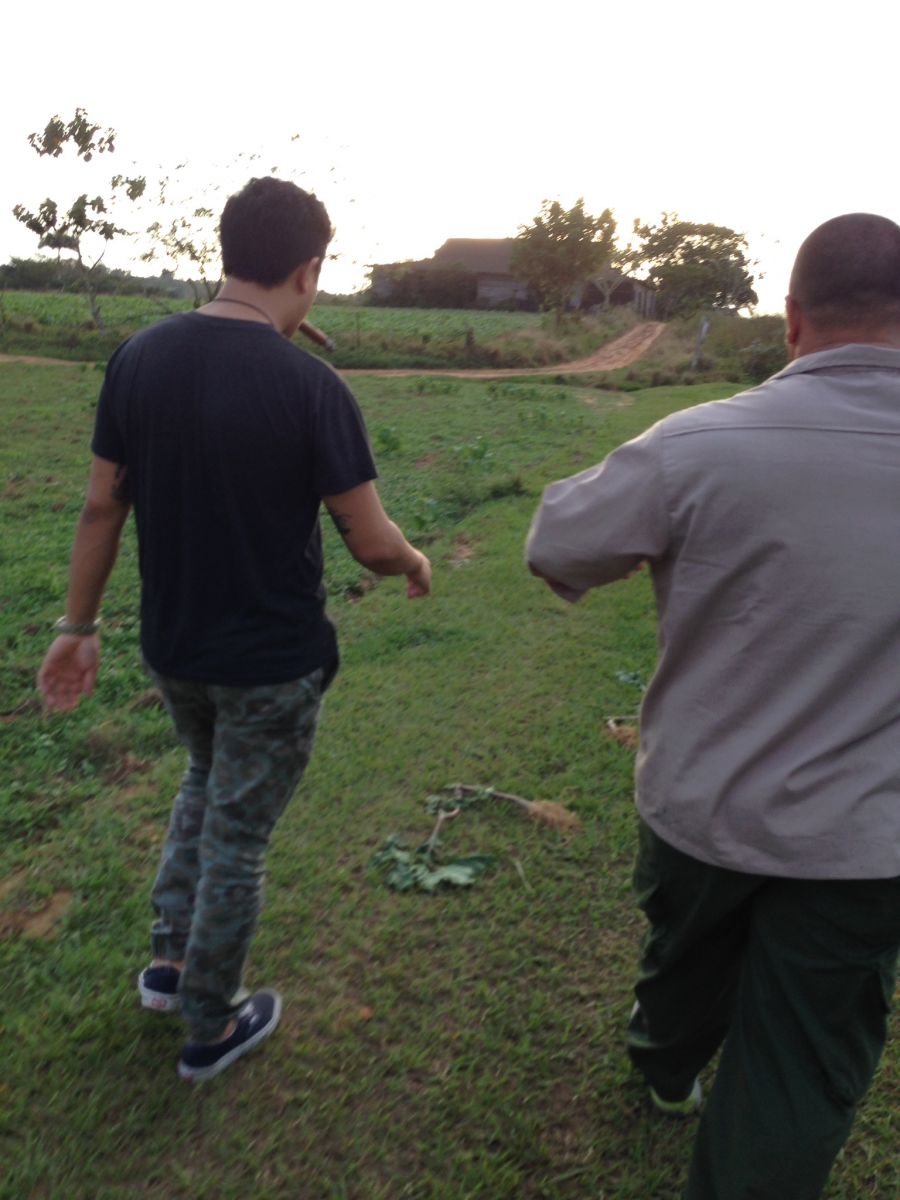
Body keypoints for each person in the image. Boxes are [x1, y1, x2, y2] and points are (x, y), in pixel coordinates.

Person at [525, 213, 900, 1198]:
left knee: (685, 962)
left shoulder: (697, 444)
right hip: (867, 842)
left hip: (701, 807)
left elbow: (557, 541)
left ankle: (664, 1060)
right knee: (802, 1063)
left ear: (790, 322)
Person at [37, 176, 432, 1083]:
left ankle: (170, 967)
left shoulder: (138, 357)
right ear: (308, 267)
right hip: (270, 665)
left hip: (175, 650)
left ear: (227, 250)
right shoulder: (310, 386)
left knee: (203, 784)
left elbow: (103, 507)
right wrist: (413, 563)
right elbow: (370, 542)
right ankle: (211, 1023)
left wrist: (77, 625)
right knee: (239, 840)